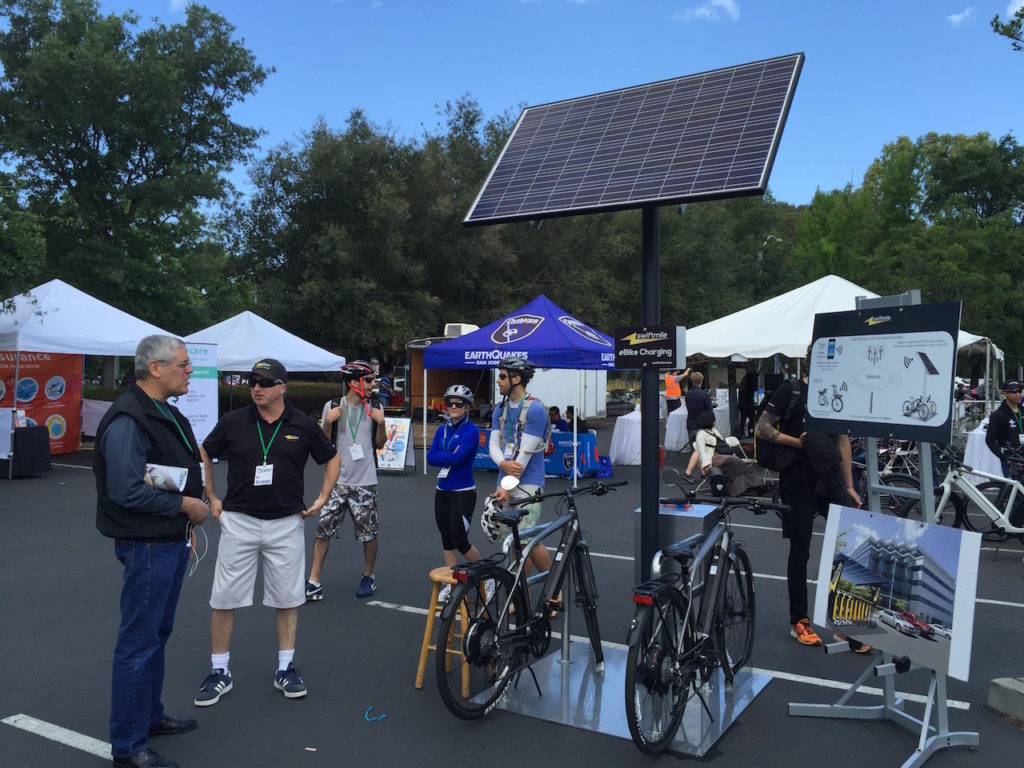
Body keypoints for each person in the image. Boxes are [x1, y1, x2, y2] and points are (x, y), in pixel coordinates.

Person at [194, 359, 339, 707]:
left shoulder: (302, 425)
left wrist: (322, 497)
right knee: (223, 598)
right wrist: (211, 496)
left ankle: (285, 668)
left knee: (287, 598)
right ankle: (219, 671)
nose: (256, 387)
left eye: (265, 382)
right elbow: (205, 451)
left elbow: (331, 457)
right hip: (239, 520)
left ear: (282, 387)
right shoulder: (234, 421)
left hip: (286, 522)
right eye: (252, 381)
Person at [95, 335, 209, 768]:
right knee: (139, 643)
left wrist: (184, 524)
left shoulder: (162, 411)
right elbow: (124, 490)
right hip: (146, 544)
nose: (190, 371)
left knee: (155, 637)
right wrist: (184, 506)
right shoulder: (129, 417)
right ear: (155, 367)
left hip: (167, 539)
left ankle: (148, 717)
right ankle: (128, 746)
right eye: (183, 364)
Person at [755, 360, 860, 648]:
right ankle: (799, 620)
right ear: (812, 362)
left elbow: (843, 440)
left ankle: (847, 623)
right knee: (801, 550)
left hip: (830, 478)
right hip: (798, 479)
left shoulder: (839, 393)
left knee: (850, 540)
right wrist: (795, 442)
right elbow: (762, 427)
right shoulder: (791, 391)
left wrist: (849, 485)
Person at [306, 360, 387, 601]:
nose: (373, 385)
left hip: (365, 482)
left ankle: (368, 576)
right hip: (337, 482)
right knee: (323, 530)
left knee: (369, 533)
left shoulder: (375, 407)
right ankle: (313, 581)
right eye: (369, 380)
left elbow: (380, 444)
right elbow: (322, 445)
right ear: (354, 382)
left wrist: (381, 423)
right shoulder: (332, 406)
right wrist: (328, 422)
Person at [487, 357, 553, 577]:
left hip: (529, 483)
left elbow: (522, 460)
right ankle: (519, 593)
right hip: (506, 478)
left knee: (527, 539)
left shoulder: (535, 409)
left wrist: (505, 484)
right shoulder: (500, 409)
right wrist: (502, 465)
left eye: (503, 376)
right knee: (514, 542)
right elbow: (493, 445)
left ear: (516, 378)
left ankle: (554, 590)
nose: (498, 381)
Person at [427, 384, 483, 600]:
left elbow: (460, 460)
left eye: (459, 403)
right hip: (442, 490)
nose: (453, 406)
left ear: (467, 407)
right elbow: (430, 457)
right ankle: (453, 584)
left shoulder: (471, 430)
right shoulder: (442, 429)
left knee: (460, 540)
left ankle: (483, 577)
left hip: (463, 491)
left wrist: (444, 455)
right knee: (447, 539)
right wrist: (448, 455)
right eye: (449, 402)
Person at [692, 411, 765, 497]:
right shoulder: (701, 434)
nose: (715, 421)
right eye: (714, 419)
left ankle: (752, 486)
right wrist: (706, 465)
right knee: (735, 461)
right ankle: (755, 484)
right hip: (712, 457)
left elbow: (723, 445)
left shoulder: (714, 431)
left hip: (721, 455)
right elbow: (701, 451)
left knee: (737, 470)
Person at [985, 379, 1023, 477]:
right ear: (1005, 393)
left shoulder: (1022, 411)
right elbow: (990, 440)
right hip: (1012, 459)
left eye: (1020, 391)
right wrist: (1004, 457)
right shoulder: (998, 415)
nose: (1018, 394)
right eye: (1014, 392)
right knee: (1013, 489)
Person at [684, 371, 713, 444]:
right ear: (701, 381)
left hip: (691, 424)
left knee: (694, 448)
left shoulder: (688, 394)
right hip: (702, 425)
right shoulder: (704, 395)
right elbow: (710, 411)